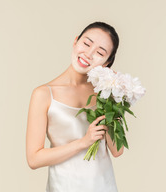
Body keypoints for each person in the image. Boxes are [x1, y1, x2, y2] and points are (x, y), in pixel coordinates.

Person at [26, 21, 124, 192]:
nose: (89, 54)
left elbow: (117, 150)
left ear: (107, 63)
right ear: (75, 41)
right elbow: (34, 159)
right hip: (65, 186)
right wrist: (83, 142)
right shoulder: (43, 94)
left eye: (100, 53)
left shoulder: (104, 93)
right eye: (86, 43)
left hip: (104, 186)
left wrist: (111, 95)